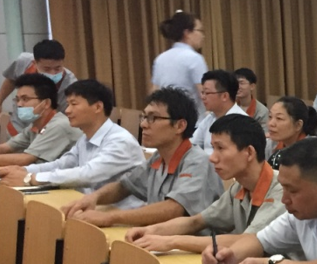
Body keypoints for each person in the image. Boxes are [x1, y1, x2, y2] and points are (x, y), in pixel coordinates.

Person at [63, 87, 223, 227]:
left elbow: (174, 209)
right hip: (157, 238)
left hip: (194, 246)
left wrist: (110, 217)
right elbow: (124, 186)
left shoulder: (198, 161)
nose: (143, 124)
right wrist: (94, 198)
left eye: (153, 118)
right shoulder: (158, 158)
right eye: (144, 117)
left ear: (179, 125)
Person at [125, 114, 286, 254]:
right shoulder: (240, 187)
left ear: (249, 152)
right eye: (213, 148)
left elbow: (249, 241)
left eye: (220, 148)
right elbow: (196, 221)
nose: (212, 158)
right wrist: (150, 230)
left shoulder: (282, 189)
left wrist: (172, 242)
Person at [0, 80, 143, 191]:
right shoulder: (85, 138)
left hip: (120, 213)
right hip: (91, 207)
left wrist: (31, 178)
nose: (67, 110)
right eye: (67, 104)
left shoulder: (120, 141)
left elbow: (87, 174)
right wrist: (23, 170)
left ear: (98, 107)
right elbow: (61, 164)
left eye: (74, 104)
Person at [0, 73, 80, 168]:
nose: (19, 104)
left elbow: (25, 159)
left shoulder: (59, 125)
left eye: (25, 99)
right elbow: (4, 148)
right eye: (17, 99)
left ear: (46, 103)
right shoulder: (35, 126)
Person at [0, 40, 77, 134]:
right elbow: (11, 79)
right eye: (47, 69)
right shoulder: (24, 62)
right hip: (19, 123)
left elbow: (63, 118)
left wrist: (43, 133)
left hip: (47, 129)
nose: (53, 73)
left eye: (58, 68)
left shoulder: (70, 85)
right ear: (35, 63)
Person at [152, 11, 207, 108]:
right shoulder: (194, 58)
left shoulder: (160, 59)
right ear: (187, 33)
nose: (203, 36)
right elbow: (204, 92)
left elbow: (154, 92)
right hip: (192, 115)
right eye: (200, 31)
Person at [192, 70, 246, 153]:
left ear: (224, 96)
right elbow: (193, 144)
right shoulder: (210, 118)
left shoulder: (241, 121)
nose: (203, 97)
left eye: (207, 93)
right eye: (202, 92)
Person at [266, 96, 317, 169]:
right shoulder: (270, 145)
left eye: (279, 118)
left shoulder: (314, 149)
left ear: (298, 125)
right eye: (270, 117)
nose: (271, 123)